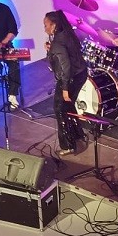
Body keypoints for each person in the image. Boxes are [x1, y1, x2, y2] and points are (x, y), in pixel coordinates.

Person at [44, 9, 89, 156]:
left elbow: (65, 67)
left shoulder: (58, 42)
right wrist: (51, 50)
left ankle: (68, 145)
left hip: (70, 78)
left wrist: (64, 89)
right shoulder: (67, 34)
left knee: (60, 108)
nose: (45, 28)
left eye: (46, 25)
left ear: (54, 25)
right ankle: (79, 137)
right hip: (80, 73)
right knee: (68, 106)